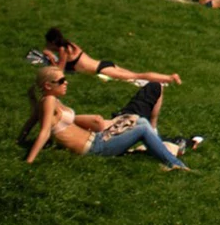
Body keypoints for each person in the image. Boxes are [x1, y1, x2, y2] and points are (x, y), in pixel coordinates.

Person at [19, 67, 187, 169]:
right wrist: (29, 161)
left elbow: (31, 121)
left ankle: (160, 149)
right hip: (96, 148)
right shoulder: (48, 101)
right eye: (61, 80)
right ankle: (175, 164)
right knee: (142, 127)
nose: (66, 83)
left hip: (97, 138)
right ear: (48, 86)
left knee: (141, 121)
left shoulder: (49, 101)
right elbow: (44, 131)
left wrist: (21, 139)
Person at [43, 27, 181, 85]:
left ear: (52, 42)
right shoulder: (70, 45)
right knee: (135, 75)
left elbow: (59, 72)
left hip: (101, 70)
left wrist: (50, 57)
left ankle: (169, 77)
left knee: (137, 76)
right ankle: (168, 78)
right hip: (103, 64)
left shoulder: (62, 50)